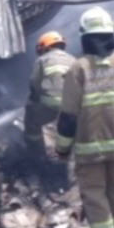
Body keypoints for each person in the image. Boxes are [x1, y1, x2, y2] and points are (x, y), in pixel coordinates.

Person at [55, 7, 114, 228]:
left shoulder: (79, 68)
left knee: (94, 193)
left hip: (91, 145)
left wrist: (62, 148)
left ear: (85, 37)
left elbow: (68, 116)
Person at [24, 31, 75, 159]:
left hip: (51, 104)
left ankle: (34, 147)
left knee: (31, 115)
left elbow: (35, 82)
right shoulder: (73, 60)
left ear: (44, 46)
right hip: (74, 105)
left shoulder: (42, 59)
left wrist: (35, 98)